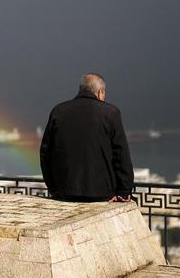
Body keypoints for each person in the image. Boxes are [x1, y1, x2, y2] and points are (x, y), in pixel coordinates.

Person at [39, 73, 135, 202]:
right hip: (102, 193)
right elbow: (121, 154)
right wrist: (124, 191)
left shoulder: (58, 111)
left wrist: (53, 188)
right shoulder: (111, 113)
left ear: (81, 90)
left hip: (64, 192)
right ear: (100, 92)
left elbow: (45, 153)